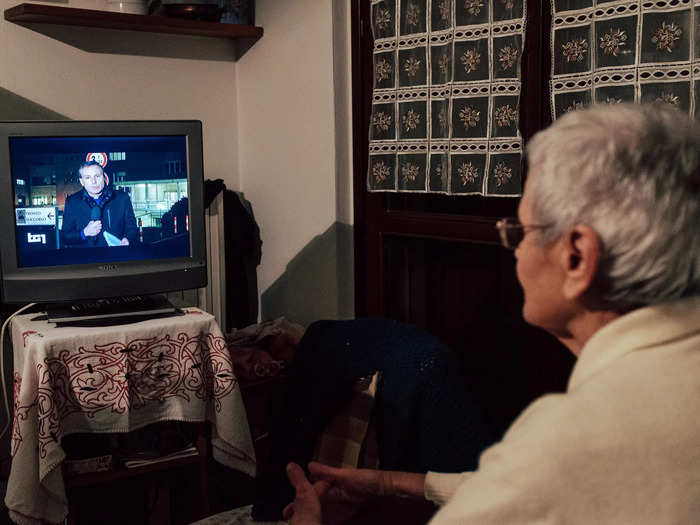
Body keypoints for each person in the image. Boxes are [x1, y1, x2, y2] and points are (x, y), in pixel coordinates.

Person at [283, 103, 700, 524]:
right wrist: (392, 484)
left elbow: (545, 479)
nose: (515, 251)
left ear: (577, 256)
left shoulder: (569, 440)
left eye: (521, 232)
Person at [60, 161, 138, 248]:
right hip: (84, 258)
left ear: (104, 177)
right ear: (82, 181)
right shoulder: (72, 202)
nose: (94, 181)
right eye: (88, 178)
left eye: (97, 176)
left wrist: (127, 239)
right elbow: (65, 236)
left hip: (115, 257)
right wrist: (84, 233)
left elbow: (132, 228)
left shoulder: (122, 198)